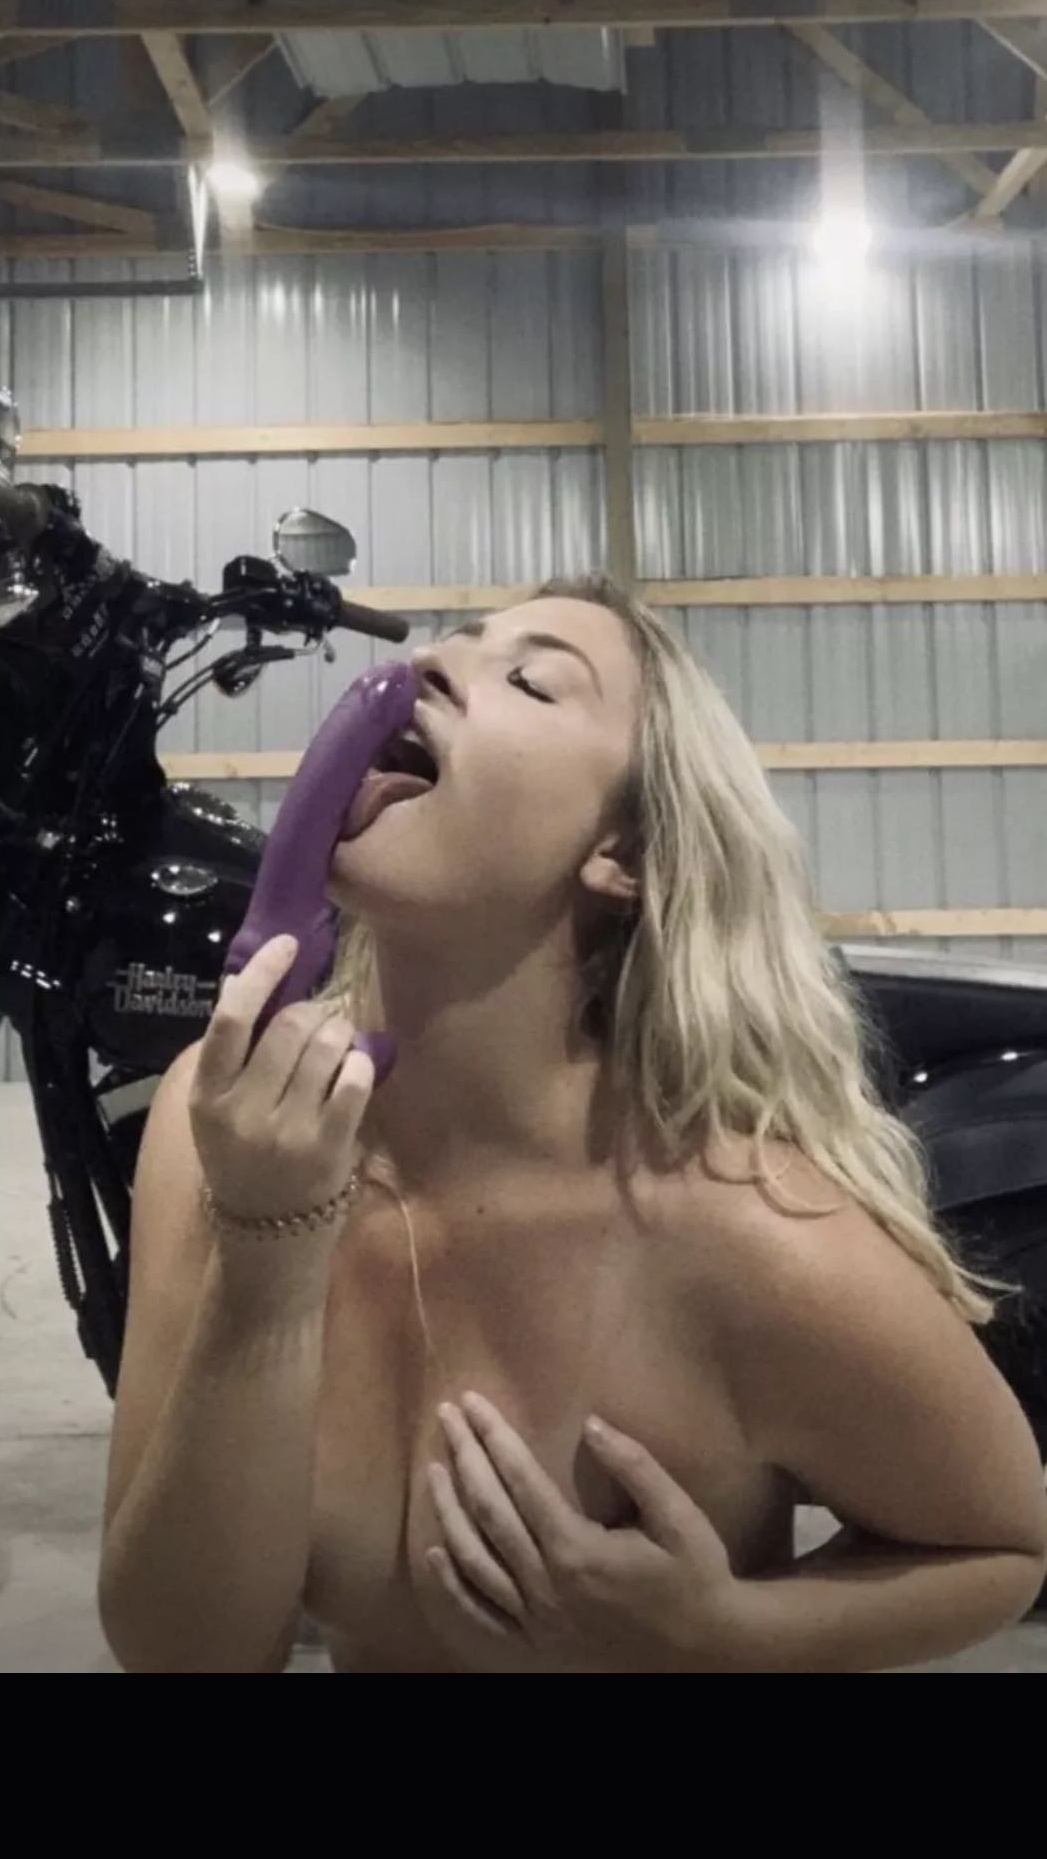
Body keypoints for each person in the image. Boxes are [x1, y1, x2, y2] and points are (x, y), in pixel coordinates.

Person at [101, 571, 1047, 1674]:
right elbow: (184, 1656)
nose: (428, 663)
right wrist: (266, 1262)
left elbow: (1002, 1545)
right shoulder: (216, 1133)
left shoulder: (746, 1231)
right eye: (452, 641)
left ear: (624, 854)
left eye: (532, 682)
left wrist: (730, 1635)